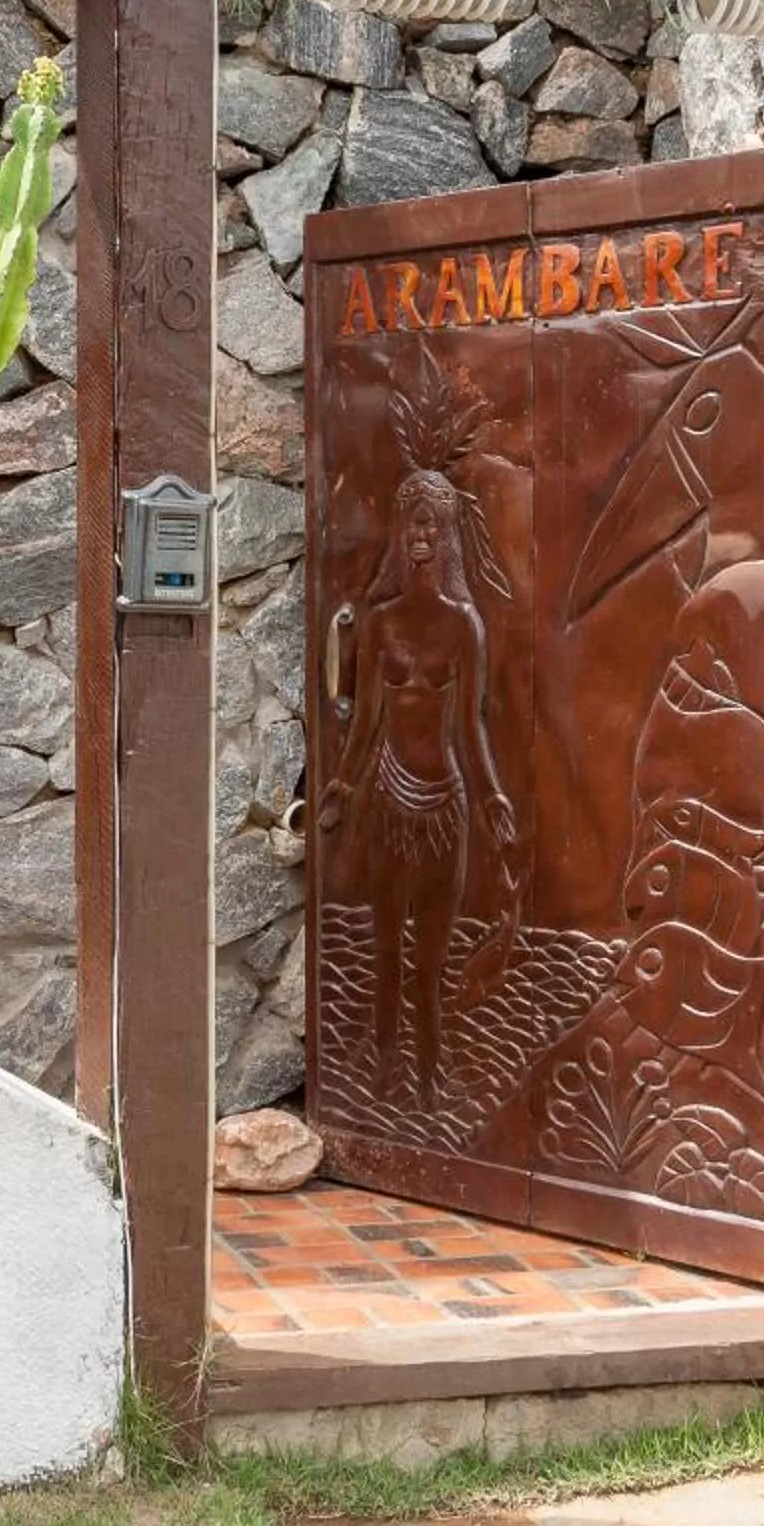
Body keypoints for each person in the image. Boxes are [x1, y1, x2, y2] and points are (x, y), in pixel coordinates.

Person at [320, 468, 514, 1106]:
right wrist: (343, 788)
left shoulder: (464, 626)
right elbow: (369, 718)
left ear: (448, 533)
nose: (420, 534)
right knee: (385, 947)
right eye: (411, 523)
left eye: (432, 522)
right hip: (387, 802)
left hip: (445, 807)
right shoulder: (379, 623)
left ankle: (429, 1074)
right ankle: (382, 1064)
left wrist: (492, 801)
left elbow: (471, 726)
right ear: (400, 535)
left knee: (430, 957)